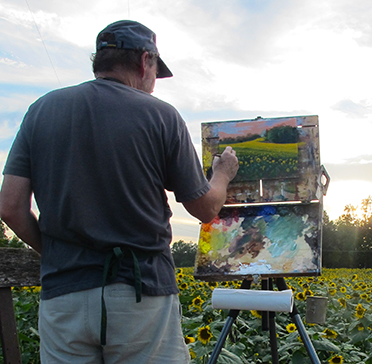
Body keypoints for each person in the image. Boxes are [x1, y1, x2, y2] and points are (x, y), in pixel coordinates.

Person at [0, 20, 238, 364]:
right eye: (156, 71)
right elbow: (204, 209)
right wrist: (222, 175)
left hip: (63, 297)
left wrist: (55, 253)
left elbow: (10, 207)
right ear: (145, 61)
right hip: (139, 293)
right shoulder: (161, 116)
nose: (154, 84)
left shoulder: (41, 109)